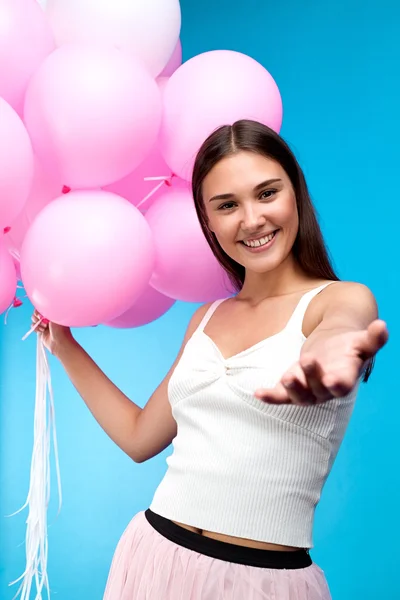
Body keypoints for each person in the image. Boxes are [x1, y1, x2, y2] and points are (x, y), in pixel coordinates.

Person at [32, 120, 388, 599]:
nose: (252, 220)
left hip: (260, 580)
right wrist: (65, 347)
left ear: (295, 194)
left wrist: (333, 354)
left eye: (267, 193)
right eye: (227, 205)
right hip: (153, 556)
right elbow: (140, 437)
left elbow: (345, 325)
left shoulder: (339, 300)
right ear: (208, 221)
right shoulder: (206, 317)